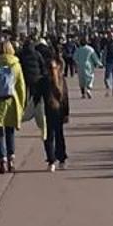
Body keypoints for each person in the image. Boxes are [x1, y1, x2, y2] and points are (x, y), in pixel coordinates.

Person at [0, 40, 29, 174]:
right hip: (11, 101)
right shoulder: (16, 65)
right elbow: (21, 87)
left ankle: (2, 160)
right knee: (10, 132)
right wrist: (22, 103)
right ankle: (11, 159)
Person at [39, 42, 70, 172]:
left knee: (48, 136)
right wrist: (67, 113)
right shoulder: (62, 80)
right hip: (59, 111)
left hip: (47, 111)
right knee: (59, 135)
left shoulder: (43, 81)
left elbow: (38, 98)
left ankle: (51, 160)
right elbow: (65, 98)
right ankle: (62, 159)